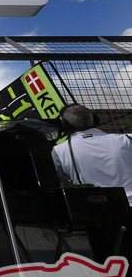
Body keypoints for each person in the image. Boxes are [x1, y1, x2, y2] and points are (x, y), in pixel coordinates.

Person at [51, 103, 132, 261]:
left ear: (64, 125)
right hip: (128, 210)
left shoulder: (59, 151)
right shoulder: (124, 140)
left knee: (112, 268)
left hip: (101, 219)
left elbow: (61, 182)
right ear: (94, 119)